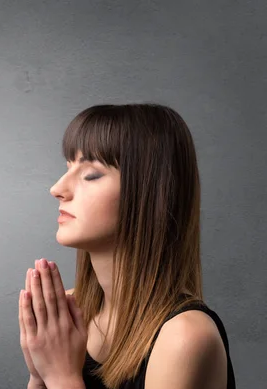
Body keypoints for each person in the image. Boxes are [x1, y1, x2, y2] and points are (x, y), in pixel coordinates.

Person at [18, 104, 235, 389]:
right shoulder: (68, 316)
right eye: (68, 166)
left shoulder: (185, 338)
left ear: (151, 192)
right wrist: (39, 375)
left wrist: (61, 377)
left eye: (91, 174)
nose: (58, 188)